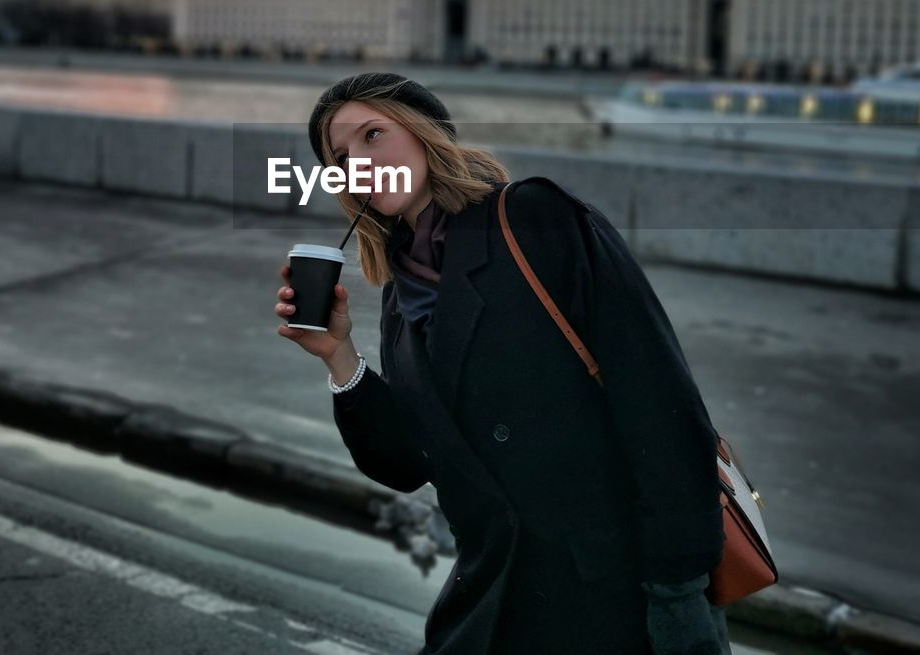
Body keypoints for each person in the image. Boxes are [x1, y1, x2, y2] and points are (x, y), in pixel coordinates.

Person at [273, 72, 732, 655]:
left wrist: (678, 589)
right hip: (491, 605)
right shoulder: (398, 296)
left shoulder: (535, 219)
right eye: (341, 156)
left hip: (614, 595)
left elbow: (659, 397)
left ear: (424, 132)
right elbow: (412, 463)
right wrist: (340, 357)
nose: (360, 161)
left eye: (373, 135)